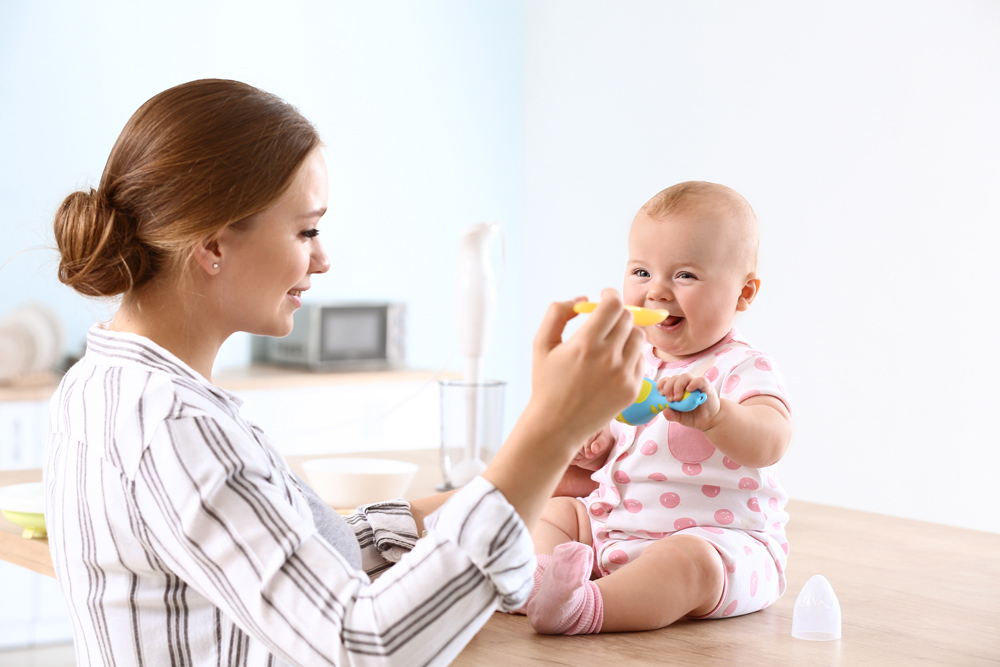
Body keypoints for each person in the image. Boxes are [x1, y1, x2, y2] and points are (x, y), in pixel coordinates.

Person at [45, 78, 646, 666]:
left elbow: (296, 555)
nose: (324, 258)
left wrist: (519, 479)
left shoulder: (107, 384)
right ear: (214, 246)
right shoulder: (174, 426)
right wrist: (549, 432)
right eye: (307, 229)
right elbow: (364, 644)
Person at [522, 182, 793, 635]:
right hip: (616, 526)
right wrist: (597, 445)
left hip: (720, 543)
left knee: (686, 562)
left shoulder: (742, 365)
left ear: (744, 293)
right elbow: (626, 444)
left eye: (685, 275)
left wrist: (718, 415)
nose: (658, 292)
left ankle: (585, 608)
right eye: (642, 272)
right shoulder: (631, 359)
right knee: (556, 512)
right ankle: (538, 582)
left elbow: (772, 439)